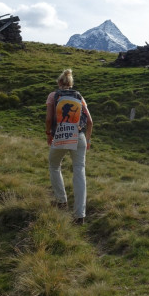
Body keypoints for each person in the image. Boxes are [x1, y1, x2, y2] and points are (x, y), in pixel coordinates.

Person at [45, 68, 93, 224]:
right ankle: (80, 216)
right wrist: (88, 139)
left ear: (59, 82)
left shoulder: (53, 96)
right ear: (71, 84)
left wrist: (48, 134)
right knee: (79, 171)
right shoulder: (79, 96)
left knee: (54, 165)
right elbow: (90, 121)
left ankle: (61, 201)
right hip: (79, 136)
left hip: (61, 135)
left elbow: (49, 118)